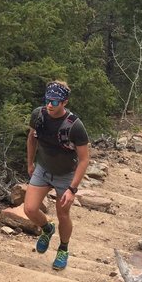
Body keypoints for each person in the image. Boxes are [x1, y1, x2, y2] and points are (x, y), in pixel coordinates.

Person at [24, 81, 90, 271]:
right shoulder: (38, 115)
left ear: (65, 102)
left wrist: (72, 189)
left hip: (65, 175)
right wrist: (30, 163)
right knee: (29, 209)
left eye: (55, 102)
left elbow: (84, 159)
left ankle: (63, 248)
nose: (50, 105)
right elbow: (31, 138)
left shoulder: (75, 126)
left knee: (63, 214)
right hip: (43, 169)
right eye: (48, 100)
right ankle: (47, 228)